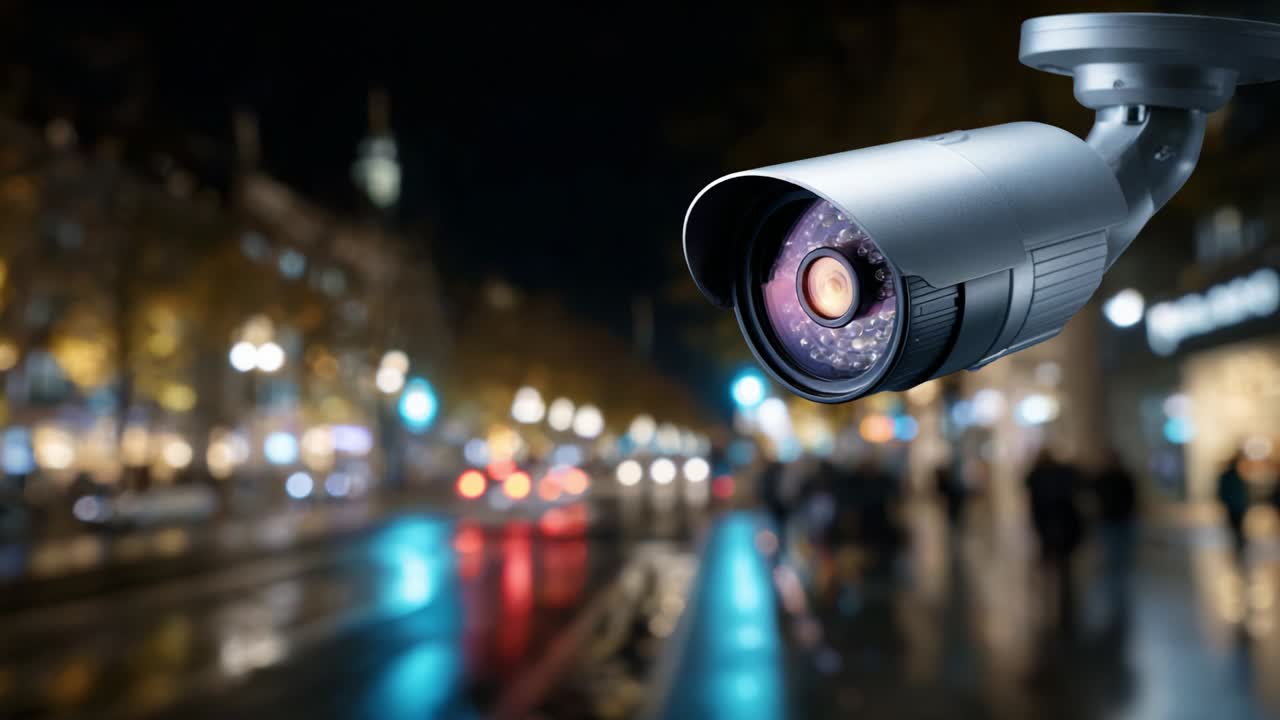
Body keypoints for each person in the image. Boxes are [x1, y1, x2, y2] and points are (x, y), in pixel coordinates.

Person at [1026, 448, 1084, 626]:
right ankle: (1063, 597)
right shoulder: (1060, 474)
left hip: (1051, 526)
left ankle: (1053, 596)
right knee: (1063, 565)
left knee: (1052, 561)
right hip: (1062, 526)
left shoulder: (1038, 476)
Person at [1093, 448, 1138, 577]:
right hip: (1111, 519)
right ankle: (1114, 573)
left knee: (1119, 553)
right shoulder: (1103, 478)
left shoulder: (1120, 476)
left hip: (1119, 518)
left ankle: (1117, 573)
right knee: (1113, 552)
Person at [1215, 451, 1250, 559]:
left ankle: (1239, 542)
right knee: (1236, 525)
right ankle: (1239, 542)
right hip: (1235, 505)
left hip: (1237, 505)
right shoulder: (1233, 476)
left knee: (1237, 525)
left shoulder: (1237, 475)